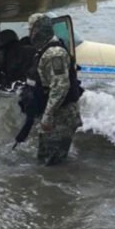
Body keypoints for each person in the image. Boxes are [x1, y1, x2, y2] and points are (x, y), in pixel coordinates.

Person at [26, 13, 83, 165]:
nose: (29, 34)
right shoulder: (44, 51)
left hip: (61, 116)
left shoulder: (54, 54)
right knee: (46, 161)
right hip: (56, 115)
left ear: (38, 30)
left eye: (31, 30)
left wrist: (48, 116)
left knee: (52, 163)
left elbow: (60, 86)